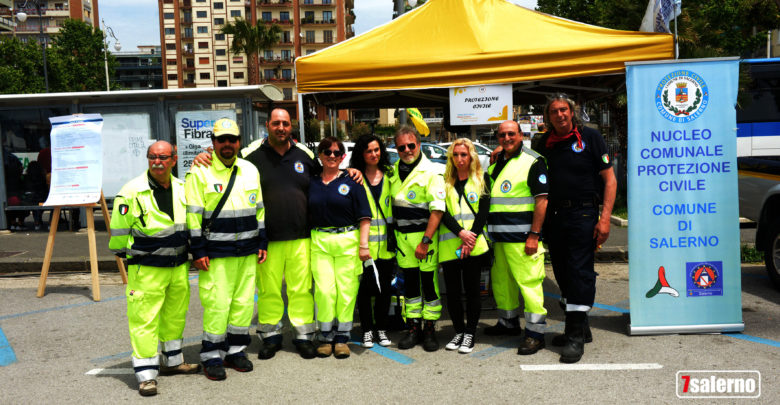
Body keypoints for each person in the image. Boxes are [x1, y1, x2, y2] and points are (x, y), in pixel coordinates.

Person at [192, 108, 362, 360]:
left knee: (301, 289)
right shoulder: (250, 155)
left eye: (285, 123)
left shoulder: (304, 154)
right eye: (275, 123)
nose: (280, 127)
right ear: (268, 126)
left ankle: (303, 336)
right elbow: (225, 160)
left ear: (290, 126)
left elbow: (328, 172)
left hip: (302, 236)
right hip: (267, 239)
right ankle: (270, 336)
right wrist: (203, 156)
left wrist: (350, 171)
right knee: (269, 289)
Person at [109, 141, 200, 396]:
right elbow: (118, 237)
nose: (157, 162)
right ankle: (146, 375)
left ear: (173, 159)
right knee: (144, 321)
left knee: (175, 316)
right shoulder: (131, 192)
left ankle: (173, 361)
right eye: (152, 157)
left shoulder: (183, 188)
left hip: (178, 267)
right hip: (146, 270)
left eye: (163, 157)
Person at [532, 94, 616, 363]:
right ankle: (581, 326)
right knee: (562, 273)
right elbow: (528, 166)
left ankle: (575, 337)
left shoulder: (590, 138)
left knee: (579, 272)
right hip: (554, 216)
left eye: (564, 110)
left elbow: (610, 180)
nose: (559, 115)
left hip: (583, 213)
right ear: (548, 116)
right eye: (554, 111)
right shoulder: (543, 143)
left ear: (572, 113)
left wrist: (604, 219)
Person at [185, 118, 268, 380]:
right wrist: (197, 251)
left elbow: (260, 209)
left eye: (232, 139)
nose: (227, 145)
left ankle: (236, 351)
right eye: (222, 140)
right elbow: (193, 216)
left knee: (243, 303)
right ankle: (211, 353)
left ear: (239, 141)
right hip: (215, 253)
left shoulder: (250, 170)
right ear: (213, 142)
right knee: (217, 304)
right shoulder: (200, 171)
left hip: (247, 251)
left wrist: (262, 241)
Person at [485, 120, 549, 356]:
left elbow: (542, 200)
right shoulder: (496, 164)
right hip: (499, 238)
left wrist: (534, 234)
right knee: (502, 283)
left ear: (521, 135)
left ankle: (535, 334)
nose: (507, 138)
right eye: (502, 135)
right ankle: (508, 322)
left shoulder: (533, 161)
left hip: (523, 239)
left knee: (529, 285)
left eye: (511, 133)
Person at [308, 137, 372, 358]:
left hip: (348, 241)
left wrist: (364, 246)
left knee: (346, 291)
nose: (332, 155)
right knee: (325, 291)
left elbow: (365, 217)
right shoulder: (312, 182)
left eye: (337, 152)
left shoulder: (353, 181)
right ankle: (325, 336)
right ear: (320, 155)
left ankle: (342, 337)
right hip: (320, 242)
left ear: (343, 157)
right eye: (327, 151)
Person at [390, 126, 446, 351]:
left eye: (411, 145)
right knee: (410, 287)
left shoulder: (431, 172)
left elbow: (437, 211)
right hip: (403, 241)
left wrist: (425, 241)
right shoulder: (393, 170)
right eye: (401, 147)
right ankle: (414, 328)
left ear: (419, 145)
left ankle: (430, 329)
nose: (406, 150)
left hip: (424, 240)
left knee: (429, 287)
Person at [439, 138, 491, 354]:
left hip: (474, 246)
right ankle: (458, 331)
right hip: (451, 244)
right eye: (456, 155)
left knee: (472, 292)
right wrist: (460, 233)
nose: (460, 159)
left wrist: (470, 238)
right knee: (452, 292)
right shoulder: (444, 181)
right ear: (451, 157)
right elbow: (441, 211)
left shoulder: (481, 179)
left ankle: (470, 332)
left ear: (471, 157)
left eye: (464, 154)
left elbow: (483, 213)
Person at [349, 134, 397, 349]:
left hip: (386, 246)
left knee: (384, 290)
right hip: (364, 245)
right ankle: (367, 329)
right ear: (361, 153)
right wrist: (348, 170)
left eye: (377, 150)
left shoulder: (391, 174)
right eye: (369, 150)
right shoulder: (354, 177)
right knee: (365, 290)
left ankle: (381, 329)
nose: (373, 154)